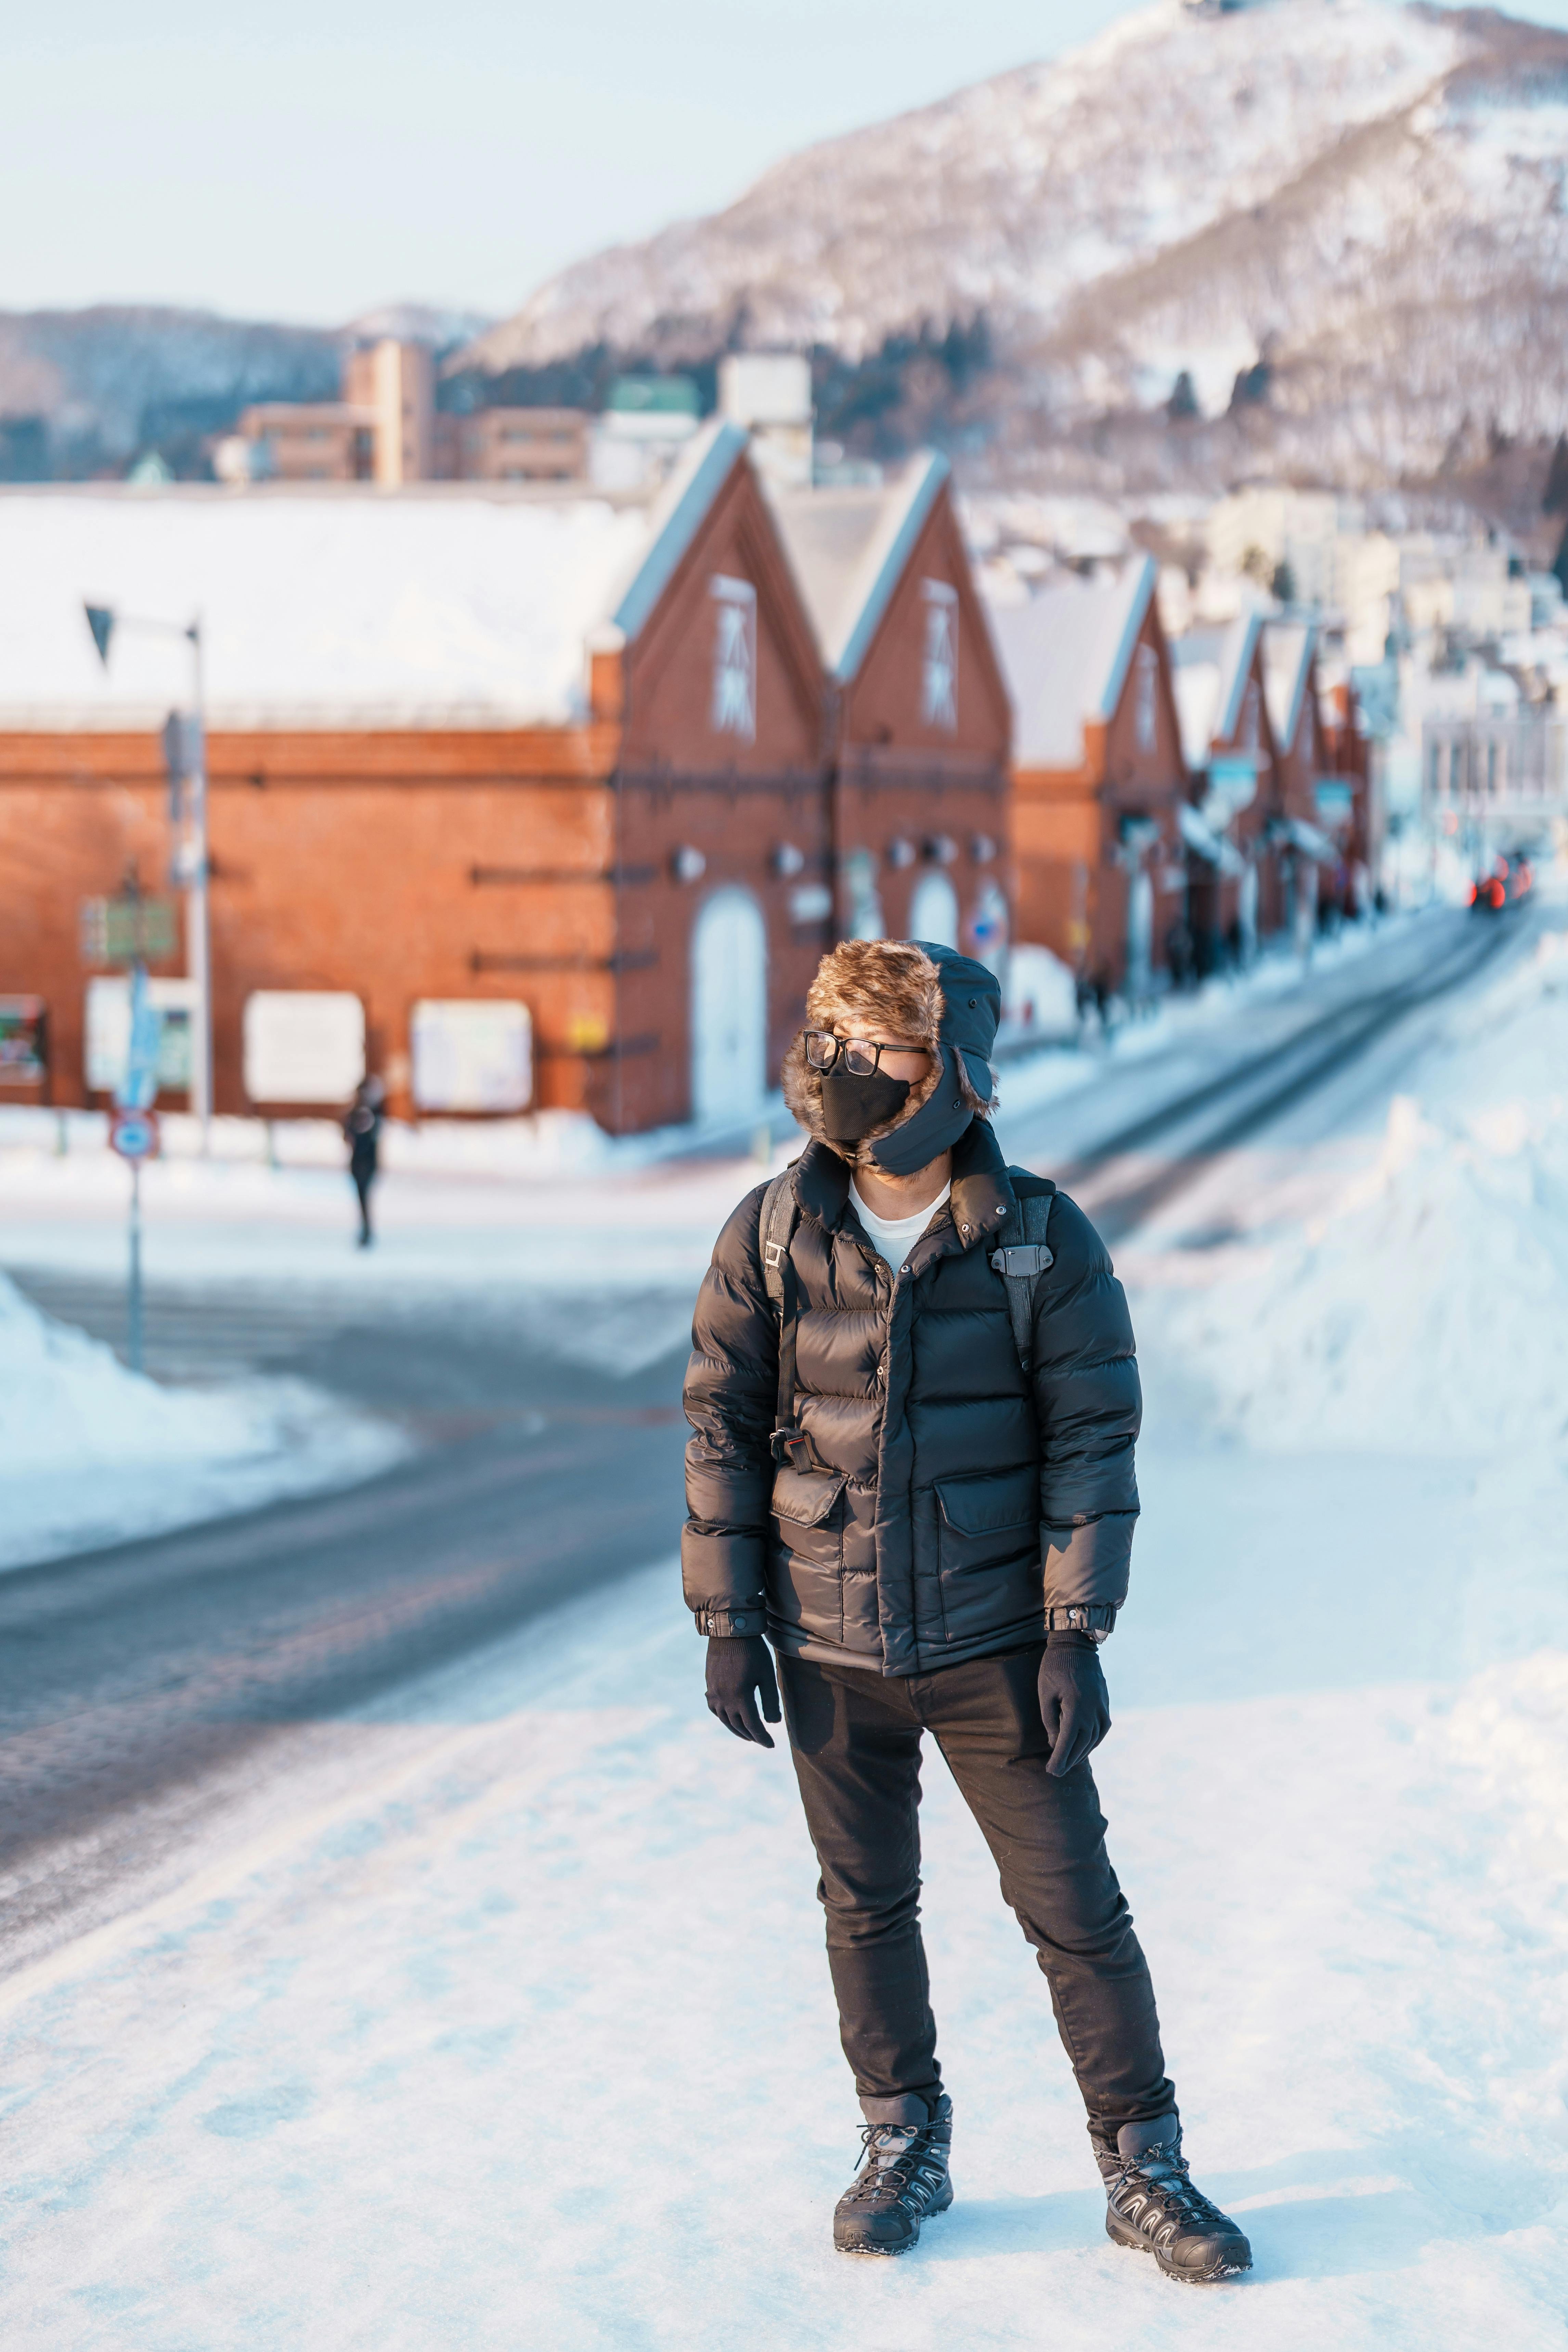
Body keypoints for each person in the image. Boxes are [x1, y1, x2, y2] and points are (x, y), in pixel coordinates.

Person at [682, 937, 1251, 2282]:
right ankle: (901, 2137)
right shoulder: (771, 1230)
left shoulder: (1036, 1237)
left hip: (995, 1643)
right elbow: (720, 1416)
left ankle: (1140, 2158)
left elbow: (1089, 1438)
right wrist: (724, 1618)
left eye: (866, 1047)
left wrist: (1073, 1631)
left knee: (1073, 1909)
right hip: (826, 1643)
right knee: (863, 1902)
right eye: (823, 1041)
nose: (835, 1070)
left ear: (944, 1074)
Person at [341, 1075, 384, 1248]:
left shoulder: (373, 1112)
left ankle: (367, 1231)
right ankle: (366, 1230)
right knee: (363, 1198)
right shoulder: (367, 1112)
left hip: (365, 1161)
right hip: (362, 1161)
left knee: (364, 1198)